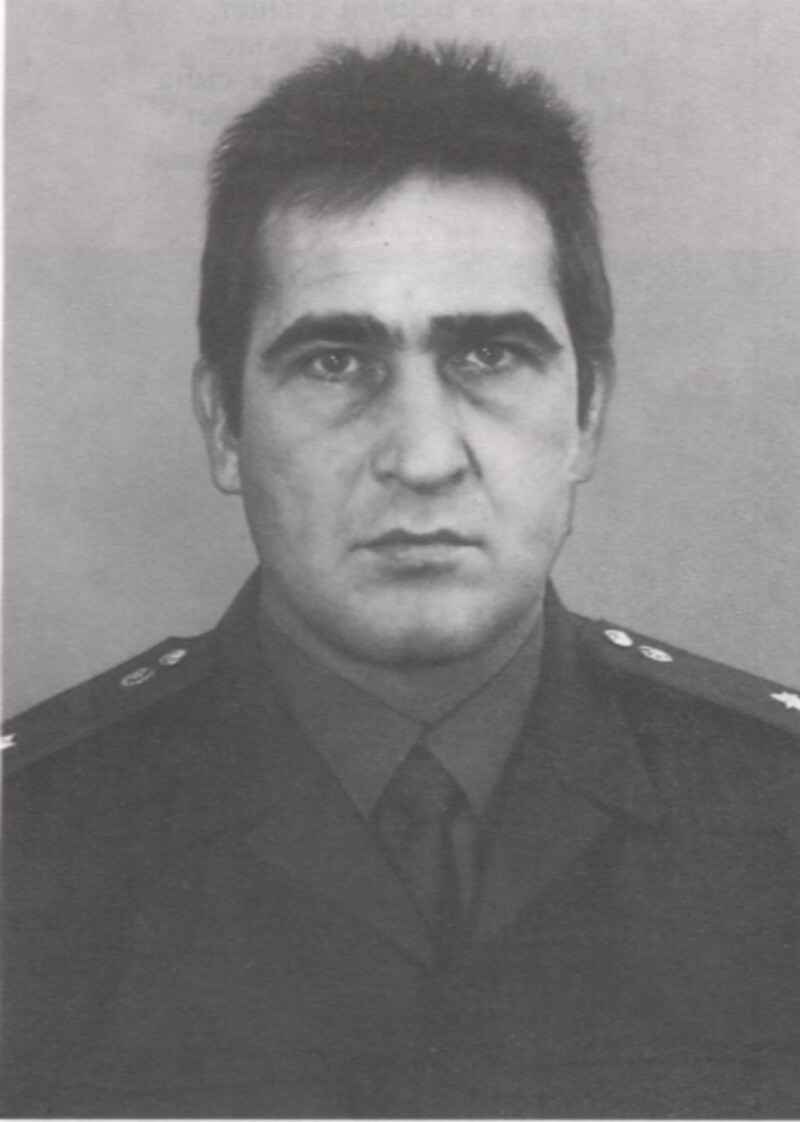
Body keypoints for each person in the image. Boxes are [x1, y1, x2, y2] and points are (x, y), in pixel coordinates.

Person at [2, 39, 799, 1119]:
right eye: (335, 362)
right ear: (224, 424)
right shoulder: (29, 845)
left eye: (489, 356)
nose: (422, 456)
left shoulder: (778, 814)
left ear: (587, 415)